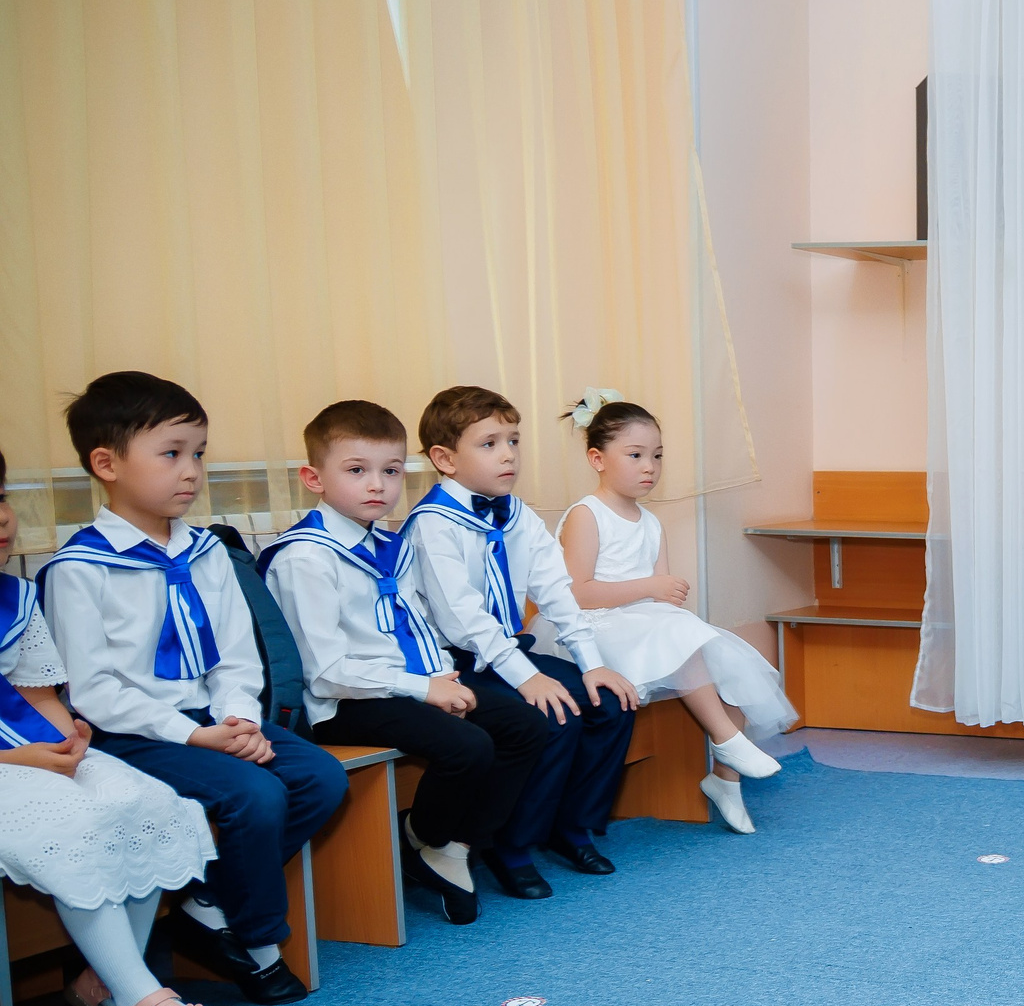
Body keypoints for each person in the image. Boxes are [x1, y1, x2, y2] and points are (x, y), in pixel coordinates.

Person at [38, 372, 347, 1005]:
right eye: (172, 453)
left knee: (320, 779)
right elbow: (93, 691)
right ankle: (259, 942)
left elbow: (237, 654)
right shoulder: (77, 569)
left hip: (216, 717)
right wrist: (196, 735)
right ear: (107, 464)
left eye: (199, 454)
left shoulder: (206, 552)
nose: (192, 471)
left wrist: (241, 721)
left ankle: (205, 897)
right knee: (256, 796)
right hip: (133, 735)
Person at [261, 400, 554, 925]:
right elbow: (325, 672)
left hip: (408, 683)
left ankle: (452, 845)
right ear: (314, 478)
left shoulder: (389, 544)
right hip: (345, 702)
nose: (378, 485)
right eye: (357, 471)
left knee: (526, 725)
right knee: (468, 745)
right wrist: (423, 690)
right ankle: (422, 837)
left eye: (391, 471)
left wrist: (442, 674)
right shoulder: (306, 557)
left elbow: (417, 625)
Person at [0, 449, 228, 1006]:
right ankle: (137, 997)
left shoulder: (14, 596)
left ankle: (104, 982)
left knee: (149, 801)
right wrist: (29, 763)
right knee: (75, 822)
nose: (1, 520)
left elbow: (37, 691)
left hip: (36, 749)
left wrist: (70, 742)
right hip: (6, 769)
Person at [404, 385, 640, 899]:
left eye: (513, 440)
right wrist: (529, 679)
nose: (508, 453)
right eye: (489, 443)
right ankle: (511, 845)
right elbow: (465, 621)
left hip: (507, 653)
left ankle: (571, 826)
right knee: (551, 714)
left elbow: (555, 592)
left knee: (609, 701)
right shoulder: (431, 525)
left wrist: (591, 662)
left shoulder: (516, 513)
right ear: (445, 459)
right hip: (456, 664)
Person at [558, 397, 796, 835]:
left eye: (657, 456)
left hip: (638, 625)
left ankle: (726, 779)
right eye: (635, 455)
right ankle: (727, 742)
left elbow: (658, 596)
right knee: (683, 636)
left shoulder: (650, 522)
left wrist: (663, 593)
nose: (649, 466)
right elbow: (577, 593)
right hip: (592, 628)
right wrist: (652, 589)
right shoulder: (586, 515)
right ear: (597, 459)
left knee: (724, 658)